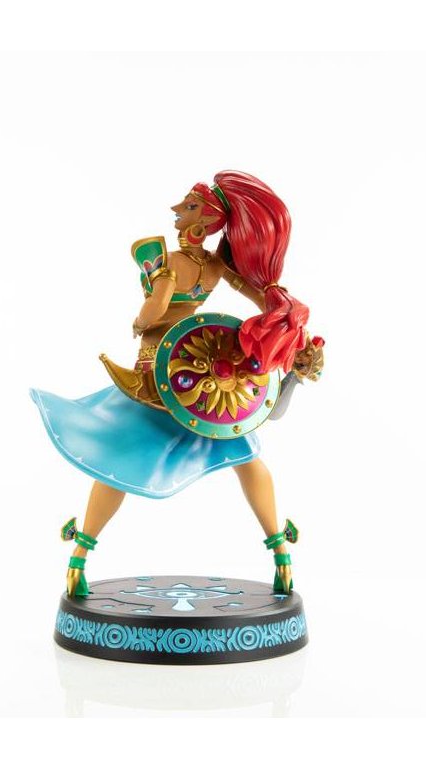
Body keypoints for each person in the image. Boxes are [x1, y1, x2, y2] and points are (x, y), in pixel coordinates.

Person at [30, 170, 323, 598]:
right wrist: (285, 317)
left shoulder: (168, 263)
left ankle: (80, 555)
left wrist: (140, 320)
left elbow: (156, 308)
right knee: (248, 459)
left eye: (187, 206)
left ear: (203, 221)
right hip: (202, 383)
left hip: (157, 376)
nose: (176, 210)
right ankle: (281, 553)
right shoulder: (217, 266)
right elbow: (262, 298)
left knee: (115, 461)